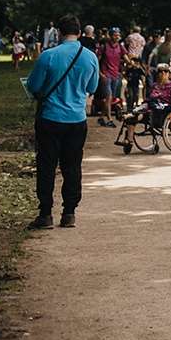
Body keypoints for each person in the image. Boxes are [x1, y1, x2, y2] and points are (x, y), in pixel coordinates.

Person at [26, 16, 101, 229]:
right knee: (72, 166)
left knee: (47, 166)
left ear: (59, 32)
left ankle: (45, 213)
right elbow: (92, 87)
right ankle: (69, 212)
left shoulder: (48, 56)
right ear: (79, 32)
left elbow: (33, 85)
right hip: (77, 119)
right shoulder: (90, 57)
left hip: (50, 117)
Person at [116, 66, 171, 154]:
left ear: (168, 74)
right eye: (160, 71)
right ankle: (129, 138)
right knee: (138, 111)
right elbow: (148, 99)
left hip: (162, 110)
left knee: (144, 111)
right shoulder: (155, 85)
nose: (162, 73)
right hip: (150, 106)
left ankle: (126, 115)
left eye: (165, 71)